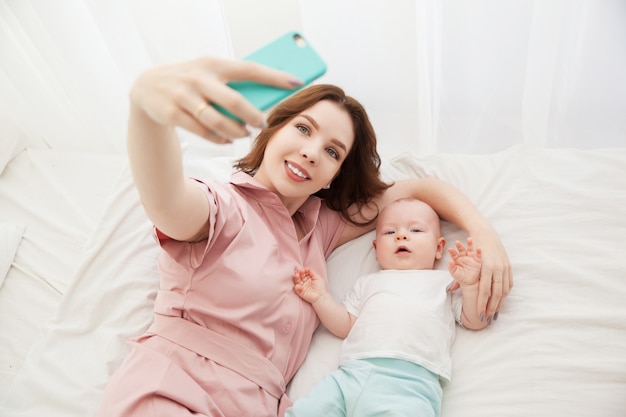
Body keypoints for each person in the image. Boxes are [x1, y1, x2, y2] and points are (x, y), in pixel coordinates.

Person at [97, 57, 512, 417]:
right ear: (274, 130)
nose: (313, 152)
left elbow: (419, 190)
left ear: (336, 173)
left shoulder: (323, 228)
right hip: (174, 391)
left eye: (333, 152)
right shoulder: (220, 206)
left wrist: (483, 234)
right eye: (303, 129)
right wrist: (148, 113)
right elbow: (165, 198)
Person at [287, 198, 487, 417]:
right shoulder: (368, 282)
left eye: (416, 229)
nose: (401, 236)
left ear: (439, 247)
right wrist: (320, 298)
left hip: (410, 385)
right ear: (376, 249)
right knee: (308, 410)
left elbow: (474, 320)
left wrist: (469, 286)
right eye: (390, 232)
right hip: (351, 376)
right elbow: (346, 325)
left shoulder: (445, 282)